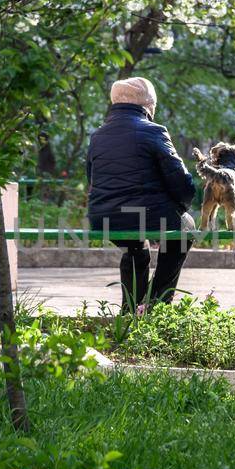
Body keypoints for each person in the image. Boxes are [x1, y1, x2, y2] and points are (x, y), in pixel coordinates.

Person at [86, 77, 195, 313]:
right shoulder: (154, 132)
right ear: (147, 105)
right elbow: (182, 183)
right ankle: (155, 307)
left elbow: (92, 180)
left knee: (135, 249)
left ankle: (130, 310)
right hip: (147, 214)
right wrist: (181, 208)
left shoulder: (97, 135)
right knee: (185, 230)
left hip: (103, 216)